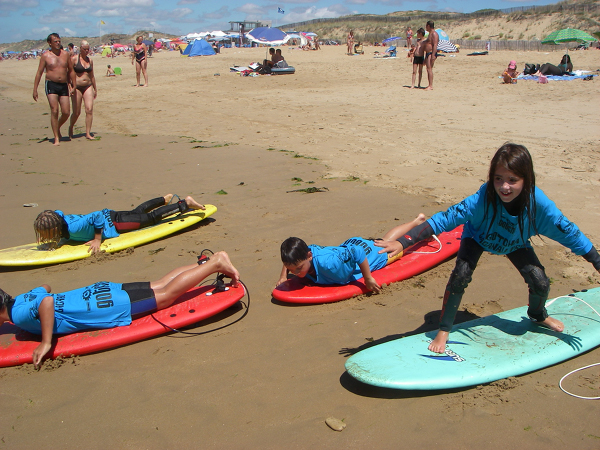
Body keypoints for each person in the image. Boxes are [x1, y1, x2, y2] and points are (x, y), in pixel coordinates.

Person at [374, 143, 600, 354]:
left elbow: (571, 234)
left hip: (514, 243)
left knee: (539, 280)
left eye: (513, 180)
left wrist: (597, 263)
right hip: (478, 237)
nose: (504, 186)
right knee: (461, 275)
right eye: (498, 178)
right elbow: (443, 220)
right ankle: (444, 330)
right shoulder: (482, 199)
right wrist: (403, 242)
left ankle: (538, 315)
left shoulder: (541, 208)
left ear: (527, 180)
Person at [0, 251, 240, 368]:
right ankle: (205, 263)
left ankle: (215, 263)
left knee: (166, 296)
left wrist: (45, 341)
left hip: (105, 305)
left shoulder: (18, 316)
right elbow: (44, 289)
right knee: (158, 284)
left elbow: (46, 303)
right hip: (99, 291)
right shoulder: (20, 299)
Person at [276, 214, 428, 293]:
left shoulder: (329, 263)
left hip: (369, 253)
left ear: (309, 256)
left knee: (398, 246)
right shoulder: (302, 255)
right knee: (385, 238)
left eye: (298, 268)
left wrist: (368, 279)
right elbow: (291, 258)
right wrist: (283, 276)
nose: (295, 273)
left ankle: (423, 228)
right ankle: (416, 220)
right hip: (349, 245)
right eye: (291, 270)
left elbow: (358, 251)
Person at [33, 194, 206, 254]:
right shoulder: (58, 218)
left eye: (44, 233)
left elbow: (96, 217)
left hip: (115, 223)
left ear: (55, 228)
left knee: (151, 219)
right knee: (138, 213)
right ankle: (164, 199)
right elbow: (58, 212)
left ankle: (185, 204)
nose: (42, 236)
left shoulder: (73, 228)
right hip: (113, 215)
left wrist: (97, 239)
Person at [32, 33, 74, 146]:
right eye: (55, 41)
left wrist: (73, 84)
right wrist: (35, 89)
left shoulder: (65, 54)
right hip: (51, 84)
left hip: (63, 85)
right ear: (49, 43)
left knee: (66, 112)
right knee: (54, 110)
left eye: (59, 41)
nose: (58, 43)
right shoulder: (46, 56)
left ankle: (57, 127)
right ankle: (56, 137)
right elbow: (39, 73)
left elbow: (71, 70)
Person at [68, 41, 97, 140]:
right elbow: (69, 74)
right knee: (76, 112)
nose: (86, 51)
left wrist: (95, 88)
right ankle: (71, 126)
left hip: (88, 86)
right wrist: (70, 86)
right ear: (80, 48)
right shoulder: (74, 59)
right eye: (84, 49)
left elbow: (92, 76)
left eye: (87, 49)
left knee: (89, 110)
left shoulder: (90, 61)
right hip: (77, 87)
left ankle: (88, 133)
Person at [423, 21, 439, 91]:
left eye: (426, 26)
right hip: (427, 53)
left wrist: (433, 55)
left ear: (429, 26)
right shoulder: (430, 34)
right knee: (428, 69)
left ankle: (430, 85)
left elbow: (435, 44)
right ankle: (429, 84)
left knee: (429, 69)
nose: (426, 27)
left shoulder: (434, 34)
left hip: (431, 53)